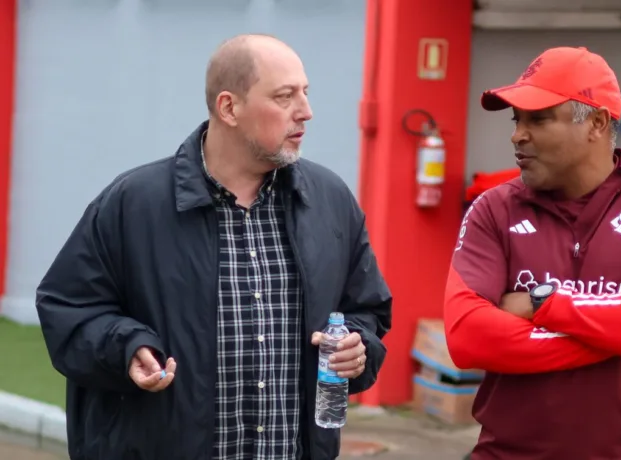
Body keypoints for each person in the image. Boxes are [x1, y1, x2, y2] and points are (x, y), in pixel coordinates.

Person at [35, 34, 392, 460]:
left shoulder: (330, 202)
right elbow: (68, 309)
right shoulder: (134, 203)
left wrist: (358, 347)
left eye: (305, 93)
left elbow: (367, 310)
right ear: (229, 108)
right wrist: (126, 348)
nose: (306, 112)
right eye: (284, 97)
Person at [444, 46, 621, 460]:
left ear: (597, 123)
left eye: (539, 118)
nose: (518, 134)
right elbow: (468, 338)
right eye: (517, 120)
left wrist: (542, 304)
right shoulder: (492, 209)